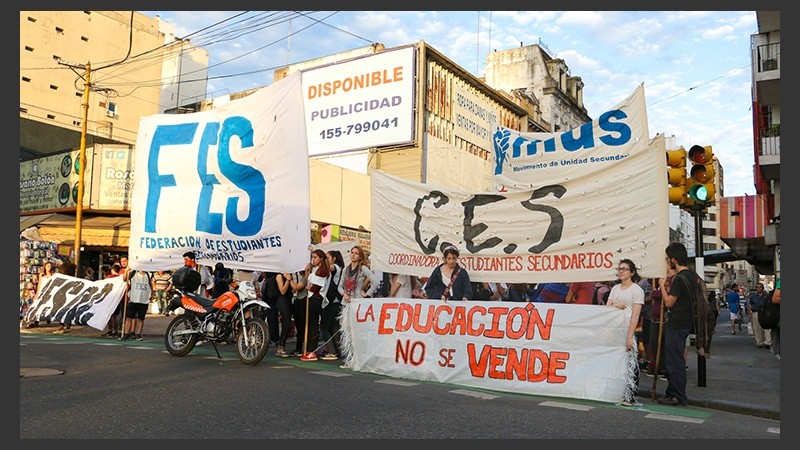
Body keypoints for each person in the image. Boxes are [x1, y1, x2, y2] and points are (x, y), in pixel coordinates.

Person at [658, 242, 698, 407]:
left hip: (677, 323)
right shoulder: (692, 275)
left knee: (674, 361)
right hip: (685, 322)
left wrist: (662, 286)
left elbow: (669, 302)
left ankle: (677, 395)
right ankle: (674, 393)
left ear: (674, 259)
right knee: (677, 359)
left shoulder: (680, 279)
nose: (667, 261)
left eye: (668, 258)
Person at [605, 258, 645, 406]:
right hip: (615, 330)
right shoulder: (615, 289)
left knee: (631, 362)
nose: (620, 271)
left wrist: (629, 336)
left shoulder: (637, 290)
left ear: (632, 272)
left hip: (630, 330)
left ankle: (630, 395)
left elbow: (635, 315)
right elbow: (607, 309)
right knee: (617, 361)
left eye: (624, 269)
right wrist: (616, 305)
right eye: (619, 268)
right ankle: (616, 391)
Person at [647, 266, 676, 379]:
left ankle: (666, 369)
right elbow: (650, 280)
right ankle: (659, 366)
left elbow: (659, 295)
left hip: (664, 319)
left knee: (666, 345)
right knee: (654, 344)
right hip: (655, 318)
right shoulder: (659, 281)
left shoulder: (670, 282)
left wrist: (656, 291)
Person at [319, 250, 345, 360]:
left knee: (323, 326)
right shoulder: (340, 268)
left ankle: (332, 351)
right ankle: (338, 351)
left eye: (327, 257)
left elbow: (330, 268)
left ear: (334, 259)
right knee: (334, 327)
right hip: (335, 301)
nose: (325, 260)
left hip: (332, 300)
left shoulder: (335, 267)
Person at [120, 268, 152, 341]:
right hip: (133, 299)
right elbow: (125, 279)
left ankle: (138, 333)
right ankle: (126, 333)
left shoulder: (148, 274)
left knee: (141, 318)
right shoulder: (133, 273)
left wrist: (151, 295)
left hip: (144, 300)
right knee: (129, 317)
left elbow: (150, 285)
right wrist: (126, 270)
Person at [27, 260, 57, 328]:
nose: (49, 267)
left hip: (49, 292)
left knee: (48, 306)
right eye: (48, 266)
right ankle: (36, 321)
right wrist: (37, 293)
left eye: (50, 266)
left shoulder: (53, 275)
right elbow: (39, 284)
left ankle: (48, 319)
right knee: (39, 306)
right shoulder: (42, 275)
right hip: (42, 292)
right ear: (45, 267)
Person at [287, 268, 309, 357]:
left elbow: (296, 287)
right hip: (298, 300)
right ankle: (299, 348)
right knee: (299, 325)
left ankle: (299, 348)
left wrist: (289, 279)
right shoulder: (303, 278)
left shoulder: (305, 278)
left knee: (301, 326)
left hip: (303, 301)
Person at [53, 260, 78, 334]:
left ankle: (62, 325)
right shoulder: (74, 278)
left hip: (63, 296)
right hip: (70, 296)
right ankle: (68, 324)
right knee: (69, 310)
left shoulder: (63, 278)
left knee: (62, 310)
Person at [274, 271, 294, 358]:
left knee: (288, 323)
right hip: (282, 300)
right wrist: (288, 280)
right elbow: (282, 291)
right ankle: (280, 348)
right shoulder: (279, 276)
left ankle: (282, 347)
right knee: (286, 323)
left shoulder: (289, 274)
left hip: (289, 300)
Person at [259, 272, 281, 346]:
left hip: (270, 302)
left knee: (272, 320)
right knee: (272, 320)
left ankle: (274, 339)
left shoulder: (269, 281)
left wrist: (263, 296)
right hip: (271, 302)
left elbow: (269, 294)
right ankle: (275, 338)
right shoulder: (269, 280)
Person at [747, 283, 772, 349]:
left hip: (765, 313)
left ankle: (767, 342)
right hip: (756, 313)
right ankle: (759, 342)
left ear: (762, 288)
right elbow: (750, 305)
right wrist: (749, 313)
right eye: (757, 287)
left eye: (760, 287)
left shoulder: (766, 296)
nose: (759, 288)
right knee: (757, 328)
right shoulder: (753, 296)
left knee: (767, 327)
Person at [101, 263, 123, 337]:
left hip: (110, 298)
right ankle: (116, 331)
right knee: (116, 316)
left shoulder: (109, 277)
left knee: (110, 315)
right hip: (117, 298)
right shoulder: (121, 278)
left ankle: (110, 330)